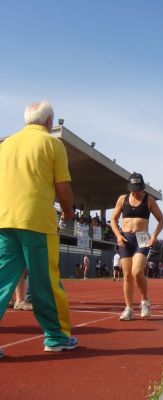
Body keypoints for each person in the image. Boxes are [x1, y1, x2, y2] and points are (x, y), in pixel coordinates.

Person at [0, 101, 78, 358]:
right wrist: (68, 213)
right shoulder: (52, 144)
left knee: (2, 281)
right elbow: (63, 189)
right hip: (36, 221)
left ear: (25, 121)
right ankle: (56, 337)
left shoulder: (6, 144)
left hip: (4, 221)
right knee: (46, 281)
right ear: (48, 122)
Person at [110, 172, 163, 321]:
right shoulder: (122, 199)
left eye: (138, 189)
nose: (135, 192)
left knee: (136, 272)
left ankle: (145, 301)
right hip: (125, 239)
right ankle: (129, 309)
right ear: (129, 187)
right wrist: (118, 235)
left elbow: (161, 220)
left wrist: (154, 236)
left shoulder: (149, 200)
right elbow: (113, 220)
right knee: (127, 275)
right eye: (133, 189)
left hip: (142, 239)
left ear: (142, 187)